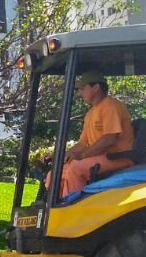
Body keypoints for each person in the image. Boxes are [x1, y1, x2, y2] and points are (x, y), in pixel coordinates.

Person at [50, 71, 135, 199]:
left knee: (76, 168)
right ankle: (55, 207)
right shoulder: (91, 113)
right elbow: (82, 143)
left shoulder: (111, 106)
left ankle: (74, 210)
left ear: (96, 87)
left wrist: (82, 155)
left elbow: (109, 138)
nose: (79, 94)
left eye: (83, 89)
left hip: (117, 158)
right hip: (99, 157)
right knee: (55, 173)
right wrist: (62, 156)